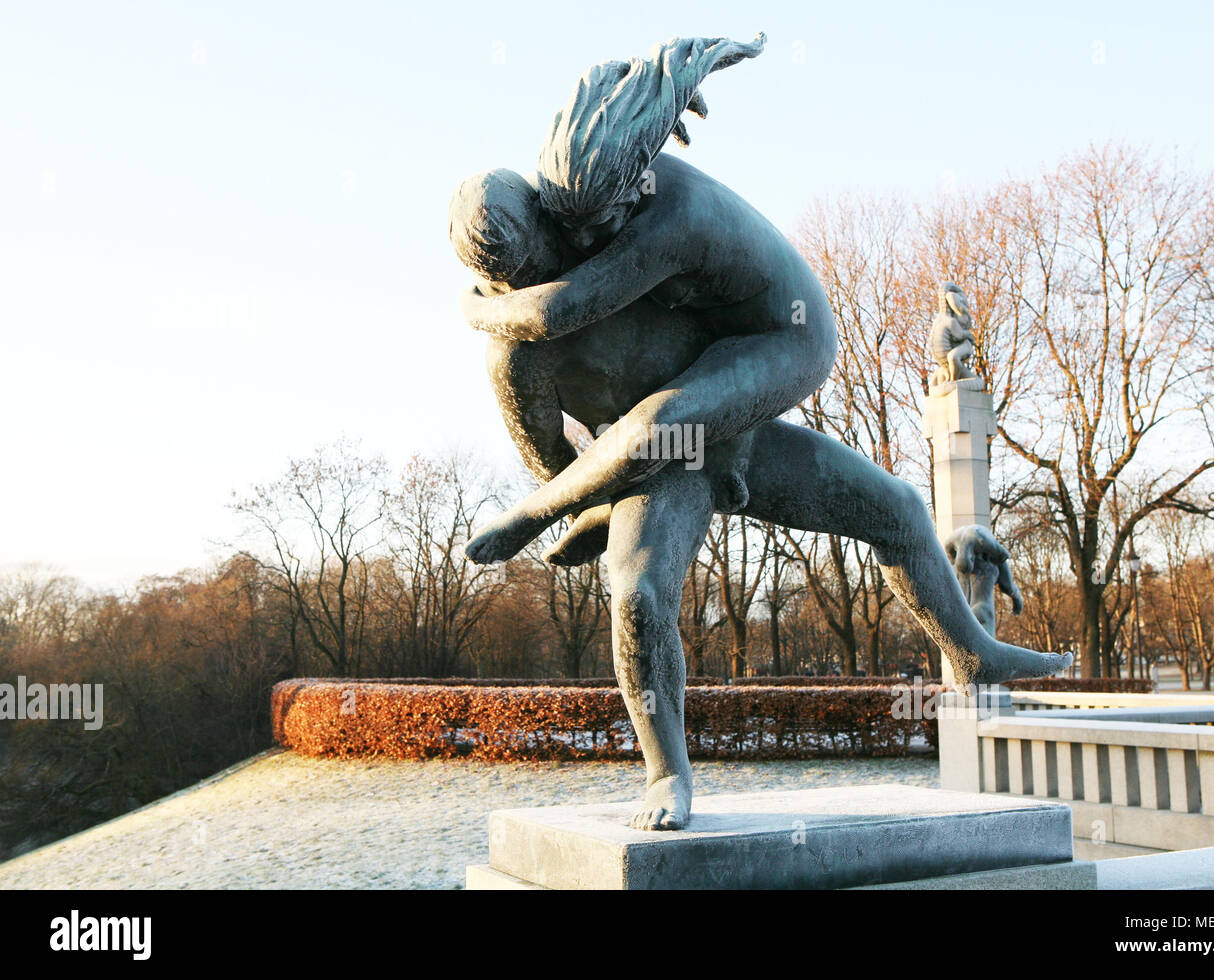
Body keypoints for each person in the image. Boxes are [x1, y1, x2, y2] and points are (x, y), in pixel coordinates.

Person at [449, 169, 1071, 830]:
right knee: (638, 598)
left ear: (546, 217)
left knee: (898, 509)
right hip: (658, 473)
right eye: (516, 273)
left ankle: (972, 652)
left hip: (737, 430)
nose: (541, 272)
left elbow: (714, 283)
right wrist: (596, 507)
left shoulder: (611, 247)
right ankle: (667, 774)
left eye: (541, 250)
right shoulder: (515, 362)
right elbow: (551, 463)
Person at [458, 34, 840, 566]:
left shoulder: (673, 219)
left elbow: (556, 312)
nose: (587, 244)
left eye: (602, 225)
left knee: (662, 424)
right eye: (570, 227)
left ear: (639, 183)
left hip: (786, 338)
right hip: (710, 327)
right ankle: (621, 487)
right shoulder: (588, 191)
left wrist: (473, 306)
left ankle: (535, 513)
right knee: (667, 419)